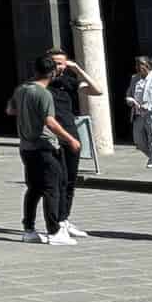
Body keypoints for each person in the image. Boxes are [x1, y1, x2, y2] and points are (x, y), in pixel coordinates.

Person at [14, 56, 83, 245]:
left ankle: (28, 229)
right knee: (54, 187)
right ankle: (55, 231)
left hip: (26, 147)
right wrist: (70, 139)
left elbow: (10, 110)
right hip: (44, 146)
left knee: (34, 188)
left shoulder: (22, 89)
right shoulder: (44, 94)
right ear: (52, 73)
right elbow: (50, 122)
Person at [42, 47, 103, 240]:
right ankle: (55, 222)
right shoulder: (42, 84)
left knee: (69, 181)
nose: (60, 67)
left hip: (72, 136)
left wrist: (77, 68)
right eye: (56, 63)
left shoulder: (68, 81)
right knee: (56, 182)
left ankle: (64, 219)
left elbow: (97, 90)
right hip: (52, 138)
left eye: (62, 63)